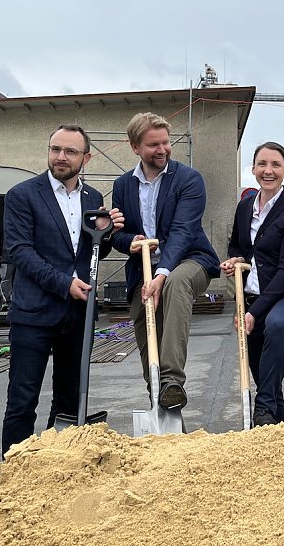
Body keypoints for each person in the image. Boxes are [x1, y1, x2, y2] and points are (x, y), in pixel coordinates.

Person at [2, 125, 124, 456]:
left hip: (78, 313)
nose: (60, 157)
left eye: (70, 151)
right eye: (55, 149)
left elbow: (93, 253)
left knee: (69, 399)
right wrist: (64, 283)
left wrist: (106, 233)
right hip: (34, 312)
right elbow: (20, 252)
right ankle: (13, 475)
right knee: (23, 399)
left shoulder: (93, 198)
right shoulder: (22, 195)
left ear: (86, 157)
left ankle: (57, 467)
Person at [111, 112, 220, 411]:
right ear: (135, 148)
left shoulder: (188, 179)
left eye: (166, 143)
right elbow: (117, 237)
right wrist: (128, 240)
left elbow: (183, 232)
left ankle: (173, 379)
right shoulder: (123, 186)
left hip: (189, 260)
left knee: (175, 282)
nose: (162, 150)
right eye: (153, 145)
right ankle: (166, 415)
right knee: (150, 350)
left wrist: (160, 273)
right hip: (141, 272)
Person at [220, 142, 284, 426]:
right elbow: (237, 245)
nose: (267, 171)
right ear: (253, 168)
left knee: (275, 325)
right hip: (249, 299)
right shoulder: (245, 206)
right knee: (265, 376)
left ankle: (265, 407)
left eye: (274, 165)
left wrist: (254, 312)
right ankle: (278, 429)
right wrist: (234, 260)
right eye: (262, 164)